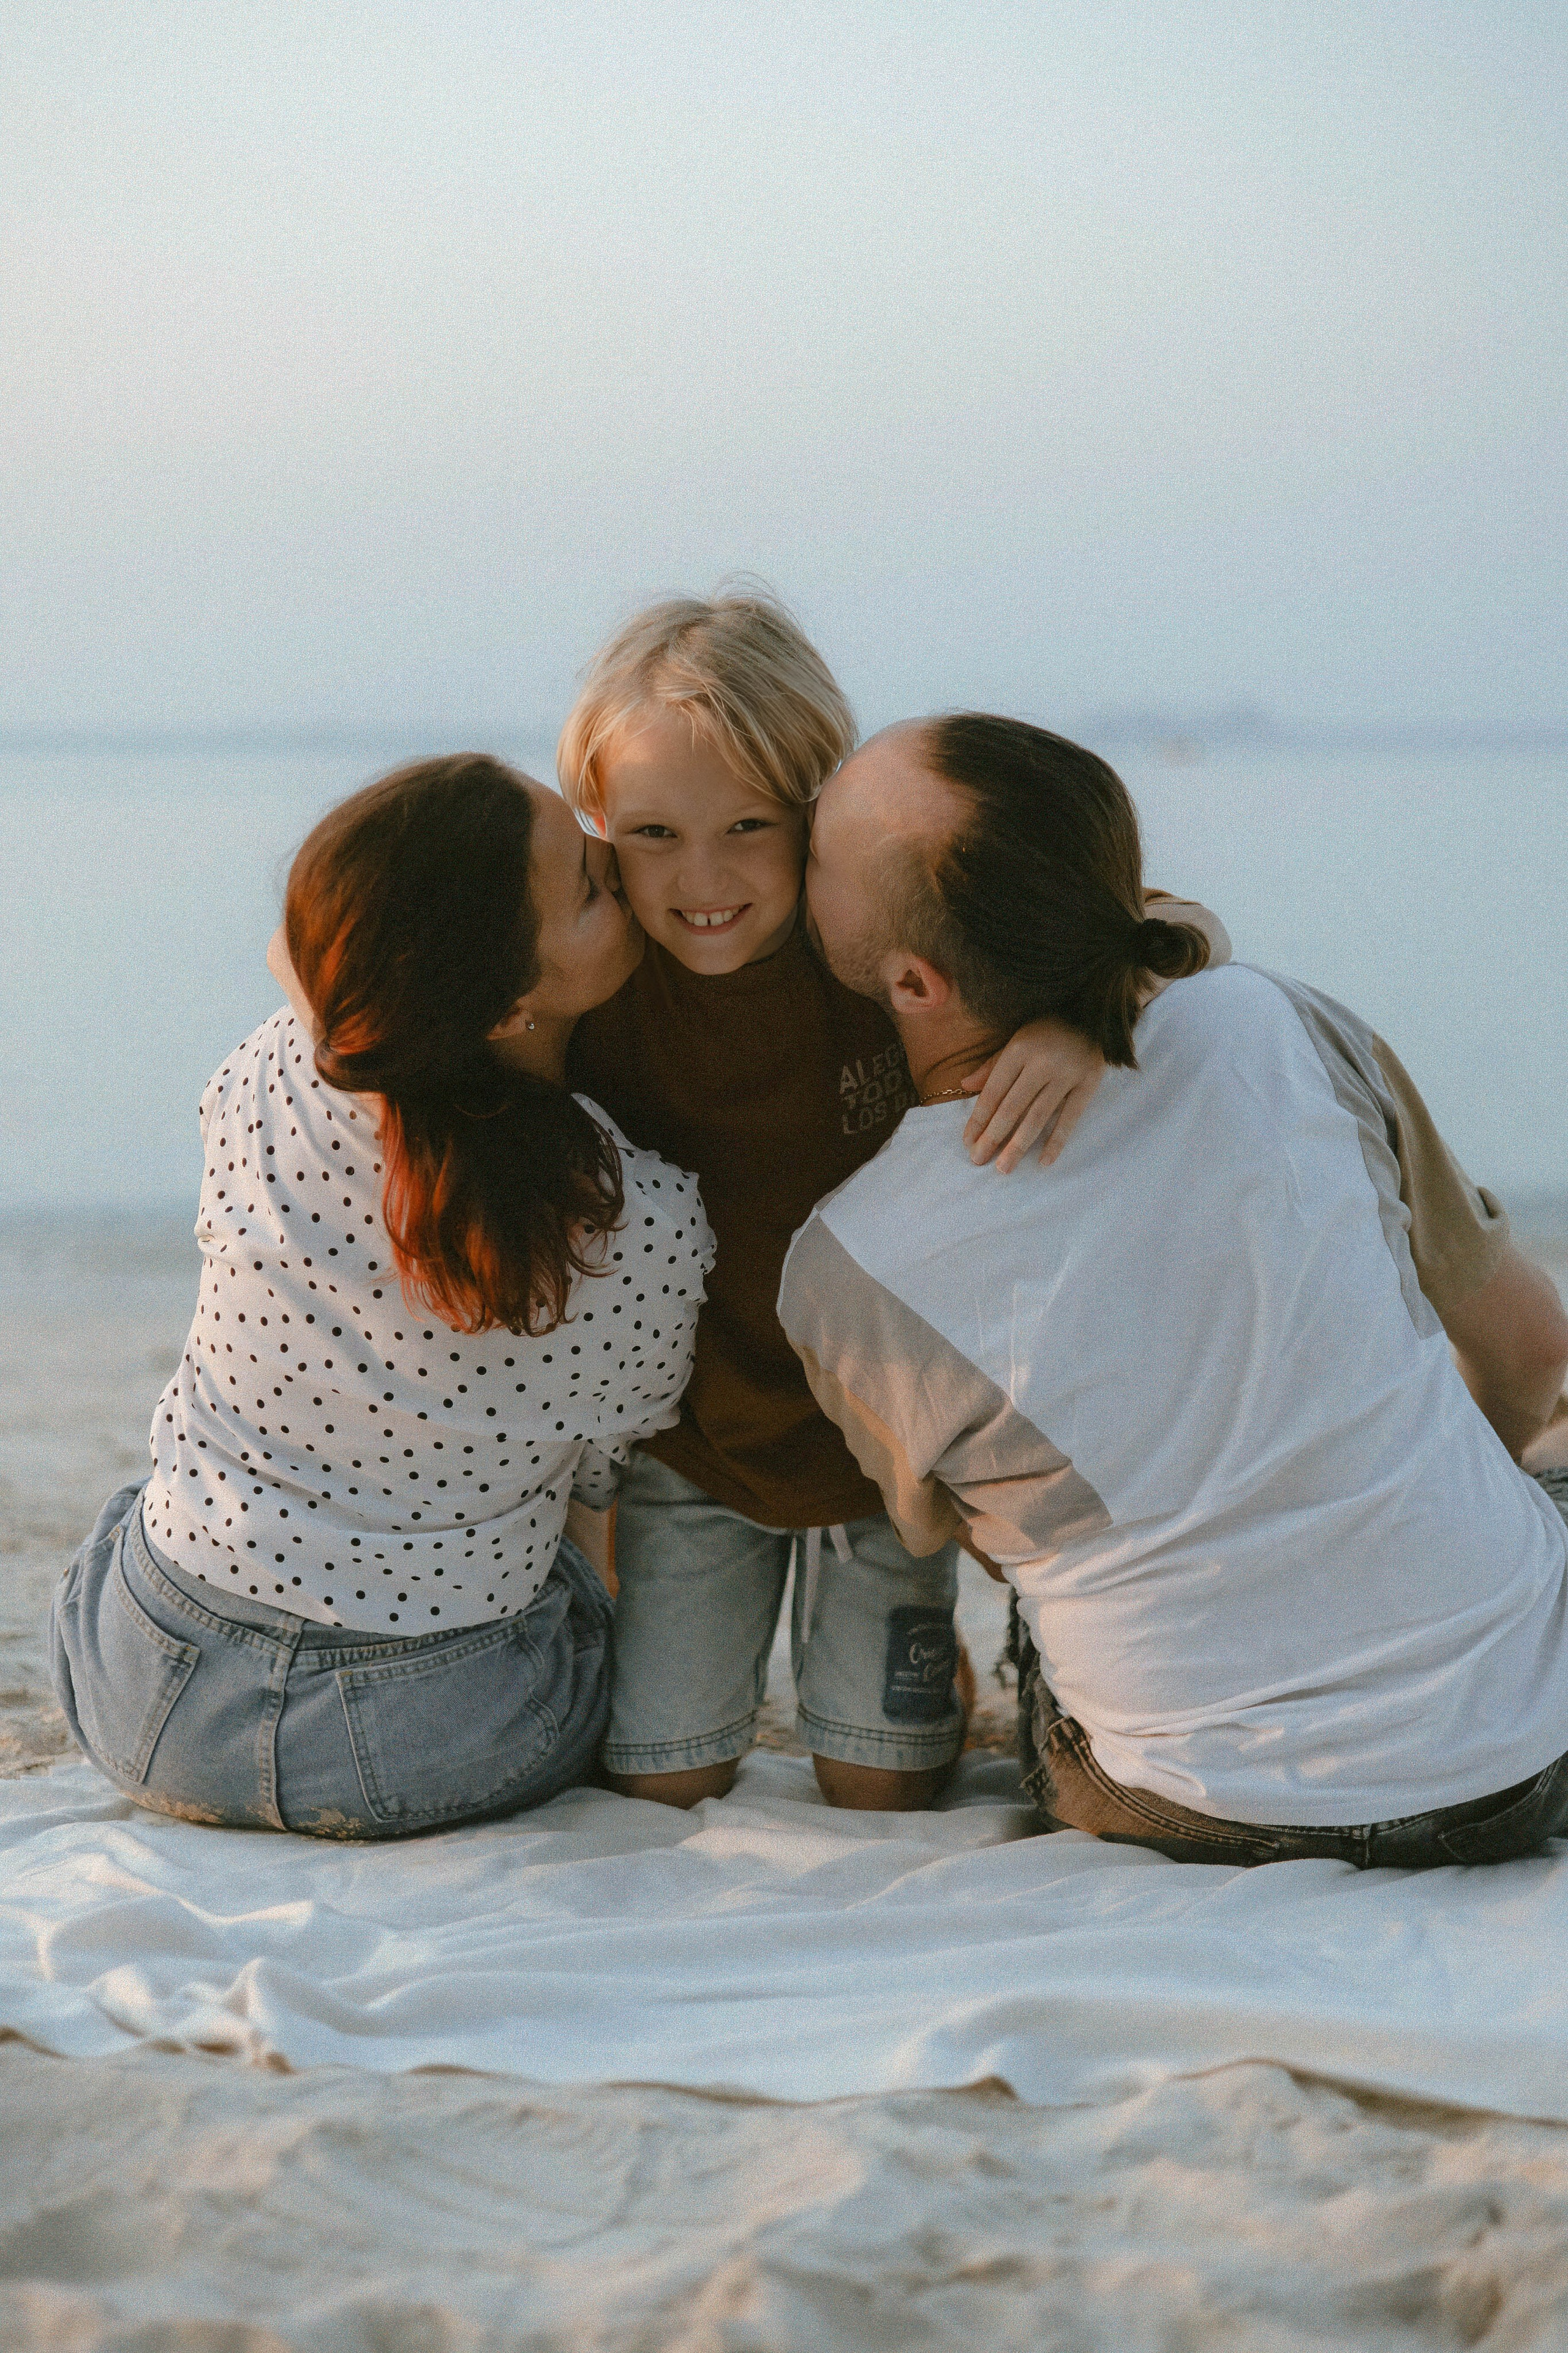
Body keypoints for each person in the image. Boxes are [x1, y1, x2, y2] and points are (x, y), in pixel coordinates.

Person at [780, 712, 1568, 1867]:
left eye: (815, 853)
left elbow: (979, 1543)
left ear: (912, 981)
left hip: (1199, 1803)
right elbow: (1535, 1354)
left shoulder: (846, 1266)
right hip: (1525, 1753)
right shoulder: (1279, 1021)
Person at [559, 591, 1230, 1811]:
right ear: (597, 832)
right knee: (666, 1777)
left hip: (889, 1457)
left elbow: (1173, 924)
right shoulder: (600, 975)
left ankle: (910, 1675)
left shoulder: (871, 946)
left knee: (881, 1786)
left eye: (747, 825)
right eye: (652, 833)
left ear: (818, 811)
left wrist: (1091, 1008)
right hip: (699, 1448)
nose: (697, 878)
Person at [51, 755, 714, 1838]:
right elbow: (603, 1478)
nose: (614, 861)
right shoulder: (640, 1227)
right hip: (441, 1732)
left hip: (149, 1698)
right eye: (591, 887)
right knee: (583, 1585)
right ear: (507, 1005)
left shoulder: (275, 1075)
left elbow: (303, 955)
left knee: (149, 1500)